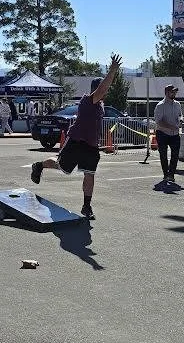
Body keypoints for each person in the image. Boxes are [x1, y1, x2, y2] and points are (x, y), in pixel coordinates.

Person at [31, 53, 122, 219]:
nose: (105, 91)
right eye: (103, 89)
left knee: (90, 174)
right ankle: (39, 165)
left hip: (91, 145)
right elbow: (102, 89)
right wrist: (113, 71)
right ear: (97, 89)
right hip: (76, 142)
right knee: (62, 167)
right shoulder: (88, 99)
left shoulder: (100, 105)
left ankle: (87, 206)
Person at [153, 84, 183, 190]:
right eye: (172, 92)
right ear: (167, 92)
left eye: (175, 92)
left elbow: (180, 115)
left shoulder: (178, 104)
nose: (174, 93)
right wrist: (170, 126)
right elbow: (158, 121)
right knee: (163, 155)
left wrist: (181, 120)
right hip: (162, 133)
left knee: (175, 155)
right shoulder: (160, 105)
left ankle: (171, 175)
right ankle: (166, 174)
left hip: (175, 134)